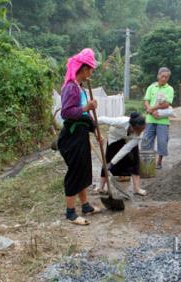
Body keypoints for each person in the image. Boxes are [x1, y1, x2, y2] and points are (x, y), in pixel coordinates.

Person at [58, 48, 101, 225]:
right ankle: (70, 213)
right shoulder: (71, 88)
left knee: (84, 171)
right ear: (84, 69)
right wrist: (86, 108)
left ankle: (85, 206)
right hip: (72, 137)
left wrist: (96, 129)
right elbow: (66, 112)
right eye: (90, 69)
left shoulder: (80, 88)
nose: (92, 72)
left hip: (81, 135)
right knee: (75, 172)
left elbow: (85, 116)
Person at [95, 112, 148, 196]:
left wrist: (113, 163)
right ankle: (100, 187)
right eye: (138, 130)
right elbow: (103, 120)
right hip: (115, 137)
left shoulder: (139, 135)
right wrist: (92, 125)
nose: (140, 132)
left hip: (129, 139)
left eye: (141, 130)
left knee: (135, 160)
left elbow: (125, 149)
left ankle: (136, 188)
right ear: (132, 126)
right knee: (107, 160)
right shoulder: (121, 121)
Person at [141, 67, 174, 169]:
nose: (164, 78)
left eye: (166, 77)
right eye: (162, 76)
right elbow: (146, 100)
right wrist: (150, 110)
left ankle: (159, 162)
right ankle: (148, 162)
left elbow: (166, 104)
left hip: (163, 121)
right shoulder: (151, 87)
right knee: (146, 140)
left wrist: (152, 109)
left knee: (162, 141)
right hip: (150, 119)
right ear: (158, 75)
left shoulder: (169, 89)